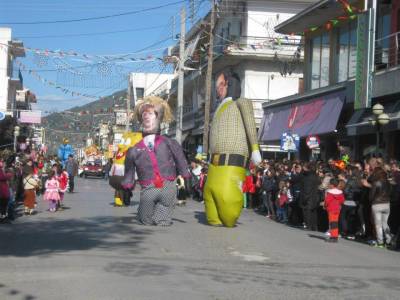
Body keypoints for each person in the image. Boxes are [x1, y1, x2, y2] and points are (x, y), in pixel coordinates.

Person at [203, 70, 262, 227]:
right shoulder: (218, 108)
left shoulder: (241, 102)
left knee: (228, 201)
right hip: (214, 163)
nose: (219, 89)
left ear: (230, 85)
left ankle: (228, 217)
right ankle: (215, 217)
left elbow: (250, 125)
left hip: (232, 160)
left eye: (221, 85)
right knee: (210, 196)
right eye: (217, 86)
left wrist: (255, 149)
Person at [122, 96, 190, 226]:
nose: (147, 117)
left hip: (165, 185)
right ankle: (151, 217)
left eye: (152, 114)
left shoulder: (169, 143)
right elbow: (129, 169)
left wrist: (185, 174)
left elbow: (181, 160)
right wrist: (127, 184)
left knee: (158, 217)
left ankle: (159, 218)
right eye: (144, 114)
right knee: (146, 217)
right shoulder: (135, 150)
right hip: (151, 187)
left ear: (159, 118)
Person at [369, 167, 392, 248]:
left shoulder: (376, 183)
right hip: (387, 204)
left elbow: (371, 195)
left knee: (378, 225)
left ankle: (380, 242)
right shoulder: (389, 183)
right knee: (385, 223)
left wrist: (371, 200)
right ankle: (389, 241)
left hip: (377, 204)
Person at [324, 178, 345, 243]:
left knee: (332, 223)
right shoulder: (340, 192)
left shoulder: (330, 192)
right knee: (335, 223)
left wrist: (325, 205)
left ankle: (333, 237)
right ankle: (335, 236)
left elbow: (327, 200)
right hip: (337, 209)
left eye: (330, 184)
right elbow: (342, 200)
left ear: (332, 185)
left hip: (331, 209)